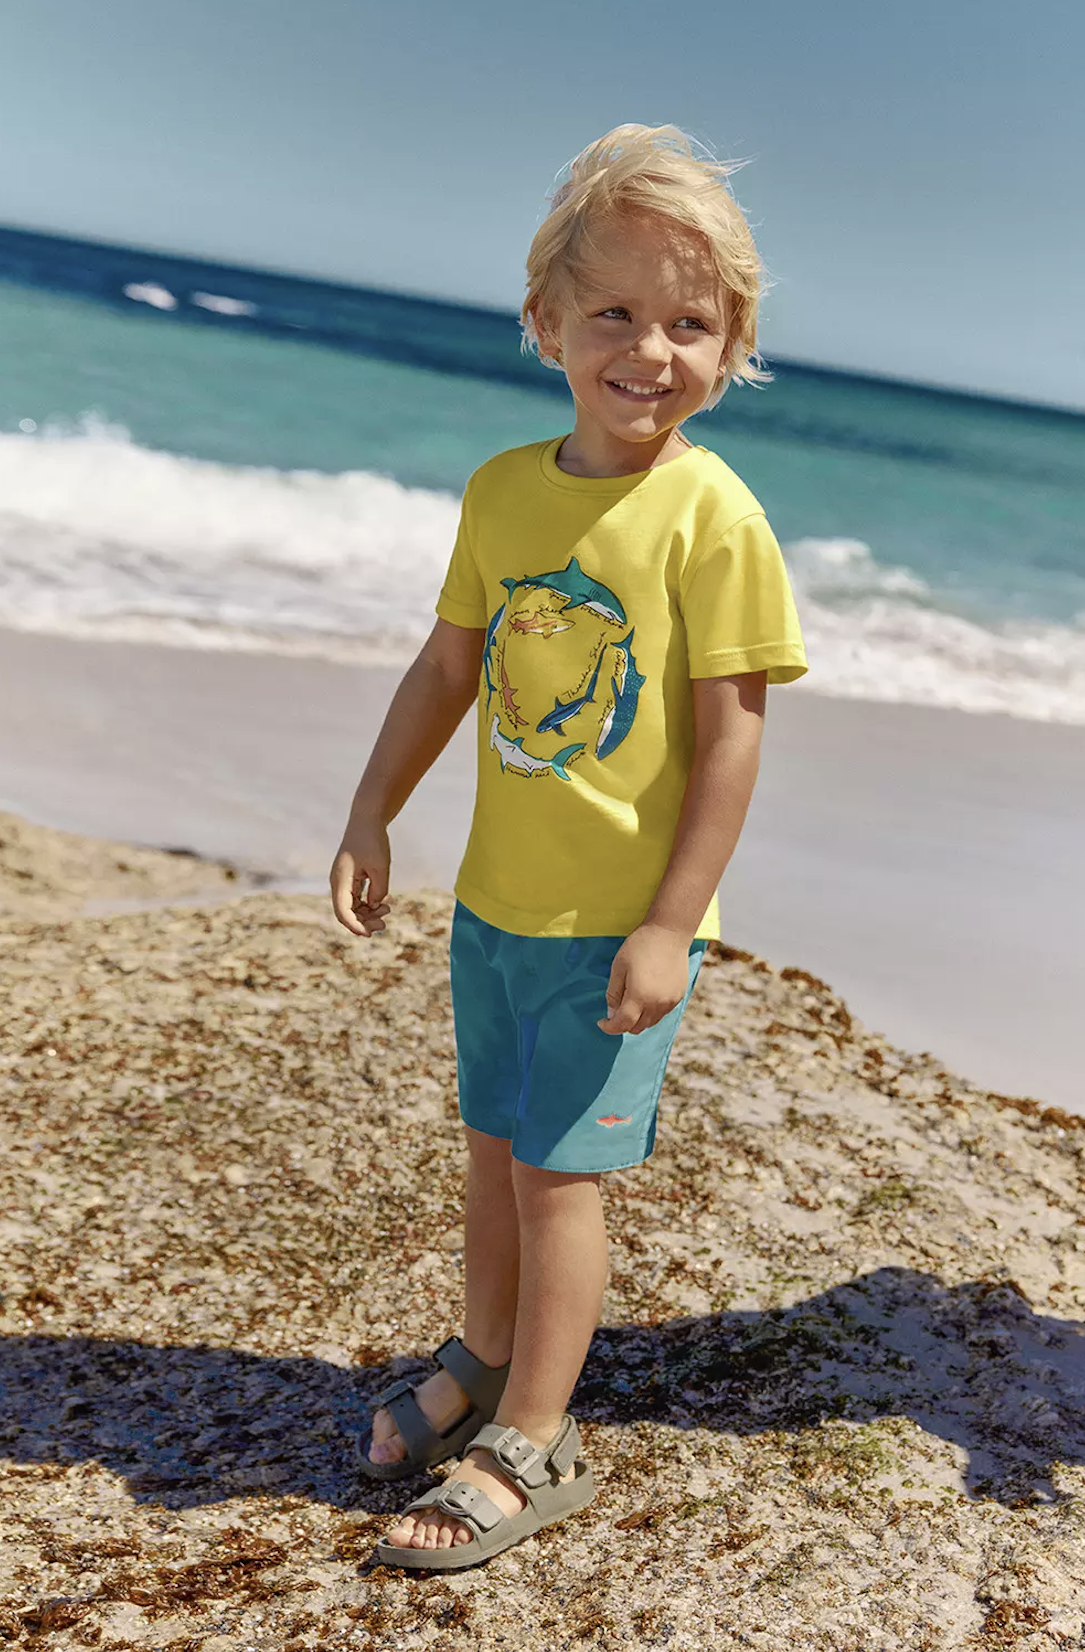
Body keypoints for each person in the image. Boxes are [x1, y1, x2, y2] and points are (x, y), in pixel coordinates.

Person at [329, 122, 807, 1570]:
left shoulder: (712, 515)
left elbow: (732, 739)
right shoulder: (502, 490)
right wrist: (371, 806)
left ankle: (536, 1437)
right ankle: (484, 1360)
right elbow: (447, 665)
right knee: (491, 1149)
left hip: (615, 927)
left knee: (557, 1177)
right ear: (546, 323)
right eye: (614, 312)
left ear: (730, 348)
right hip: (499, 907)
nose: (650, 350)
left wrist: (671, 922)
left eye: (691, 324)